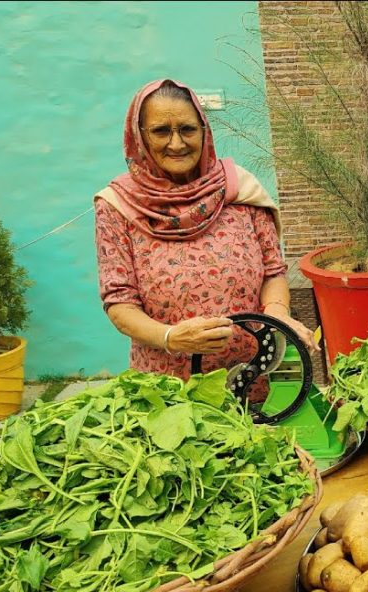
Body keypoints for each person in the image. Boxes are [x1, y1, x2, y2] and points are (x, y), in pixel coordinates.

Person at [95, 79, 318, 386]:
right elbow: (119, 301)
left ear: (204, 130)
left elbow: (273, 271)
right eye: (161, 131)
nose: (176, 144)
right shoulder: (118, 205)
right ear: (140, 136)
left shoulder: (239, 189)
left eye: (187, 129)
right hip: (170, 389)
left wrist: (277, 312)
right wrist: (171, 337)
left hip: (253, 376)